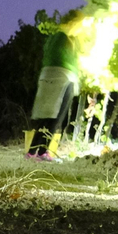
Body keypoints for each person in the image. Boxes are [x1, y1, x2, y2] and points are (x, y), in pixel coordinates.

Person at [26, 24, 80, 160]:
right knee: (57, 117)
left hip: (46, 75)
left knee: (45, 116)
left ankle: (32, 152)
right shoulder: (67, 39)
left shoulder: (52, 38)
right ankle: (43, 153)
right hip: (64, 77)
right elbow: (71, 61)